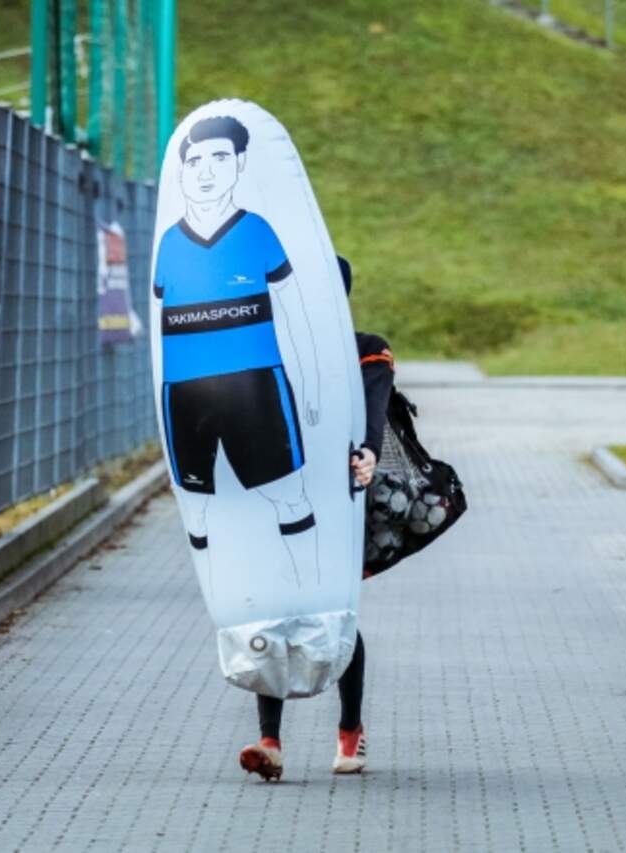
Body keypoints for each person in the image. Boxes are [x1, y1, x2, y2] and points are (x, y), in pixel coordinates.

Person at [238, 255, 394, 780]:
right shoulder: (271, 349)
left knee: (332, 612)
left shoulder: (367, 350)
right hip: (279, 493)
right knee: (274, 607)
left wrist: (368, 453)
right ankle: (270, 742)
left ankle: (350, 732)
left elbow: (372, 411)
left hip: (340, 499)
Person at [153, 115, 323, 592]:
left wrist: (310, 385)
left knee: (288, 493)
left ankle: (309, 588)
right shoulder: (169, 243)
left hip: (257, 384)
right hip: (184, 392)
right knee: (197, 504)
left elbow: (296, 313)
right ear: (183, 171)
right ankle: (221, 595)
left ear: (240, 163)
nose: (206, 171)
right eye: (195, 161)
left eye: (219, 157)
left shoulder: (256, 230)